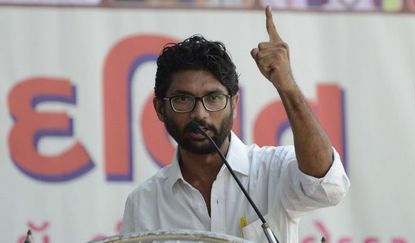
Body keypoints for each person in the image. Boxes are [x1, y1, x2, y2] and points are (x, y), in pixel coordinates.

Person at [121, 6, 350, 242]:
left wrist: (287, 85)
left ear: (234, 103)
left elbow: (328, 186)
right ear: (160, 108)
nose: (200, 114)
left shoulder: (272, 170)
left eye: (213, 98)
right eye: (183, 99)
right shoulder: (144, 203)